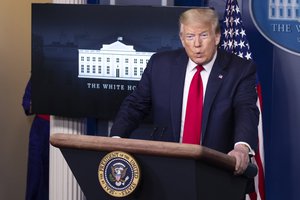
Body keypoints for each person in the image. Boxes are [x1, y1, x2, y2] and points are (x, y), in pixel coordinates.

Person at [110, 8, 259, 176]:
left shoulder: (239, 70)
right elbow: (135, 105)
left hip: (217, 172)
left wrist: (241, 147)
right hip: (166, 169)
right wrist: (116, 138)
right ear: (182, 39)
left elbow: (245, 109)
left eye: (203, 35)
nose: (197, 44)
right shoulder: (160, 64)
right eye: (190, 36)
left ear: (217, 37)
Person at [22, 78, 50, 200]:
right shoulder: (39, 73)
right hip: (41, 130)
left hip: (67, 128)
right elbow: (27, 104)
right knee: (36, 179)